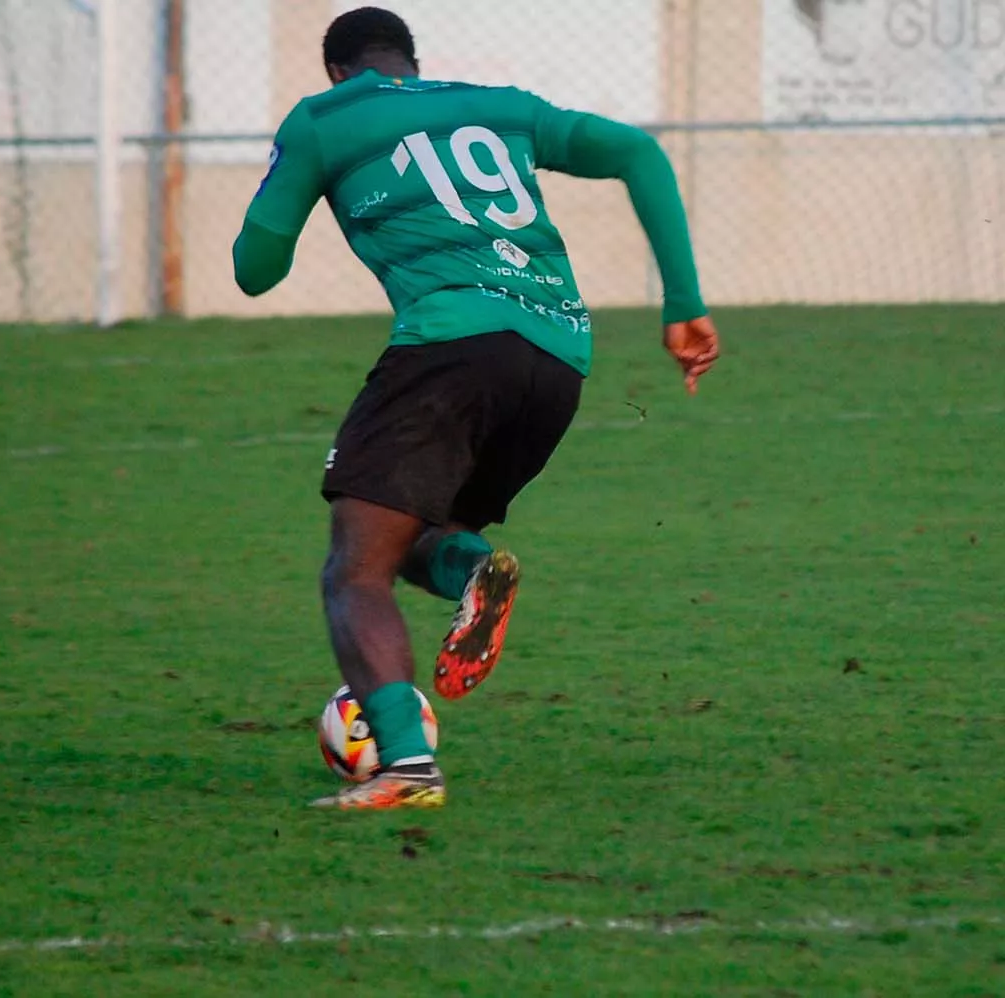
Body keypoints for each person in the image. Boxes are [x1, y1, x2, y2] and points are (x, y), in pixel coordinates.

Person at [232, 7, 720, 810]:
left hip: (450, 347)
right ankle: (474, 570)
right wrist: (683, 306)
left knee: (355, 570)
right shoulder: (499, 103)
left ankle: (407, 768)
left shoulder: (322, 119)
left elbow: (256, 269)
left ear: (336, 73)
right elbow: (639, 151)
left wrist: (297, 177)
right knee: (416, 534)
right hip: (558, 358)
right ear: (411, 65)